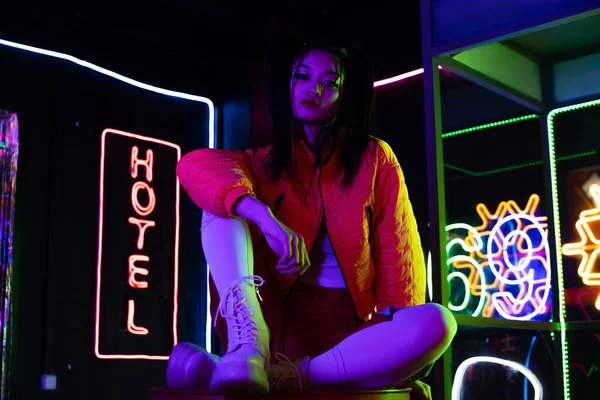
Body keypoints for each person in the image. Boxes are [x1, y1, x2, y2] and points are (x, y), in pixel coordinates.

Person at [166, 41, 456, 400]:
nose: (313, 89)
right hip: (276, 329)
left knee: (438, 322)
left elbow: (400, 257)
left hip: (351, 342)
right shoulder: (264, 163)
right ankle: (247, 345)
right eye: (302, 76)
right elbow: (195, 166)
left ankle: (274, 376)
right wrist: (265, 217)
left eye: (330, 82)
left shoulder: (375, 158)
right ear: (287, 85)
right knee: (223, 202)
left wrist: (401, 348)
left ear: (346, 94)